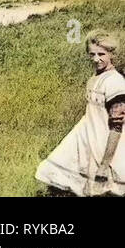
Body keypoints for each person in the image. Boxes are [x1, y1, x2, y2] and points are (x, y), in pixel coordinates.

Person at [36, 33, 125, 196]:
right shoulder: (94, 79)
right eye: (92, 54)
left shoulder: (115, 82)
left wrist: (105, 164)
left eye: (101, 54)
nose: (96, 59)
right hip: (87, 138)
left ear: (111, 54)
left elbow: (117, 126)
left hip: (107, 143)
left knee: (105, 189)